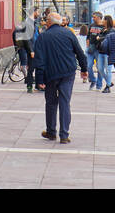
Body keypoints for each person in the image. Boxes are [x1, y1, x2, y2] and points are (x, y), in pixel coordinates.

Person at [34, 11, 88, 144]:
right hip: (67, 73)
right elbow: (80, 53)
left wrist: (39, 79)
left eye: (46, 20)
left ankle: (51, 132)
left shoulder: (43, 37)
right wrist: (84, 69)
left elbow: (39, 60)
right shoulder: (69, 33)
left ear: (49, 22)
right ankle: (64, 135)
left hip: (50, 74)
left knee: (51, 103)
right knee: (65, 102)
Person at [13, 7, 38, 93]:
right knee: (31, 68)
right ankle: (30, 85)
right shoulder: (28, 23)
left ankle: (37, 84)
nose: (38, 13)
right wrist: (31, 50)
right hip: (32, 49)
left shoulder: (32, 22)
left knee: (36, 67)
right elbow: (27, 38)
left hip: (35, 48)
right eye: (37, 12)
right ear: (33, 12)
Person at [85, 13, 106, 90]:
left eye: (94, 17)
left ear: (99, 18)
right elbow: (88, 36)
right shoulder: (91, 25)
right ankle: (93, 80)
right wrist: (87, 45)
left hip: (99, 49)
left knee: (100, 67)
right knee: (88, 66)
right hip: (91, 48)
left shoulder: (103, 27)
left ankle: (99, 84)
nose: (93, 18)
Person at [97, 15, 115, 93]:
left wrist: (99, 38)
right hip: (101, 51)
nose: (102, 21)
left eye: (104, 20)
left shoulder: (111, 30)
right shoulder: (103, 29)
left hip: (108, 52)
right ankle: (109, 82)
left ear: (107, 21)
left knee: (108, 69)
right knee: (100, 68)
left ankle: (108, 86)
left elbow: (108, 38)